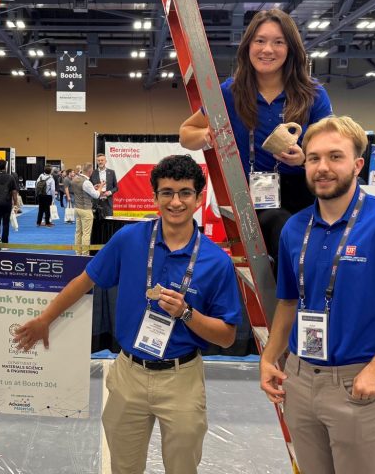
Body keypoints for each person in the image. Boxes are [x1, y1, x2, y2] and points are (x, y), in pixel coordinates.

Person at [13, 154, 242, 474]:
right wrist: (45, 318)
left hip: (182, 379)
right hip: (128, 374)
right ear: (155, 197)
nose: (176, 202)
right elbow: (84, 281)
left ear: (198, 198)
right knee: (123, 468)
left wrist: (187, 313)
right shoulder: (130, 239)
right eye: (167, 193)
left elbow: (228, 336)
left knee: (183, 468)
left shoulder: (216, 261)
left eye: (185, 193)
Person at [259, 116, 375, 474]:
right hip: (299, 379)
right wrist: (270, 357)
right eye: (313, 158)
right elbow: (288, 301)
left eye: (335, 157)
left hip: (356, 383)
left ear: (357, 164)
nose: (322, 167)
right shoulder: (294, 228)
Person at [179, 8, 334, 260]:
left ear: (291, 48)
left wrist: (304, 157)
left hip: (304, 190)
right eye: (260, 41)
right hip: (254, 193)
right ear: (248, 46)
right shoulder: (231, 92)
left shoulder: (313, 93)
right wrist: (208, 135)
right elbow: (186, 133)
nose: (267, 50)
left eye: (278, 42)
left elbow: (331, 143)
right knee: (282, 230)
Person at [70, 163, 103, 255]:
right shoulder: (86, 182)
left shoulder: (75, 178)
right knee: (86, 234)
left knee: (78, 232)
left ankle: (78, 252)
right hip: (86, 210)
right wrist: (100, 188)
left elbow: (82, 190)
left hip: (77, 208)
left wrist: (93, 188)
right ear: (90, 171)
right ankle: (85, 254)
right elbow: (96, 195)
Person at [89, 152, 118, 217]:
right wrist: (94, 188)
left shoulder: (111, 172)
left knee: (109, 222)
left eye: (102, 160)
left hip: (108, 201)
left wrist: (110, 192)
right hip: (96, 201)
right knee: (97, 222)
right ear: (97, 162)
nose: (100, 162)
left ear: (105, 161)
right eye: (98, 160)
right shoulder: (92, 173)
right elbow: (89, 187)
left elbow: (116, 187)